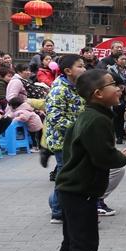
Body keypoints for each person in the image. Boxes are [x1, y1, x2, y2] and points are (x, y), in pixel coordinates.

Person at [43, 68, 126, 251]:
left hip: (72, 189)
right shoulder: (97, 120)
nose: (118, 88)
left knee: (72, 241)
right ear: (98, 94)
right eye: (113, 85)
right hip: (80, 191)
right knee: (85, 245)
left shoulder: (90, 115)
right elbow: (102, 156)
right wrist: (120, 157)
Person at [43, 55, 89, 222]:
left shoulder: (79, 87)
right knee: (65, 176)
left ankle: (56, 203)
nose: (84, 69)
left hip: (76, 139)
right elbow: (55, 117)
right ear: (68, 71)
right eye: (80, 66)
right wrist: (78, 127)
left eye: (84, 66)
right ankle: (58, 212)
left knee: (71, 175)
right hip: (62, 141)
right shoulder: (59, 89)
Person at [6, 62, 44, 148]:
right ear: (19, 72)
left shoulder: (24, 81)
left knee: (41, 115)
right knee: (37, 118)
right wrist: (24, 103)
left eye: (29, 70)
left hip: (26, 107)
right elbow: (11, 98)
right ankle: (36, 144)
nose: (28, 72)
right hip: (17, 109)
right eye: (25, 70)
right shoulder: (16, 81)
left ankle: (39, 144)